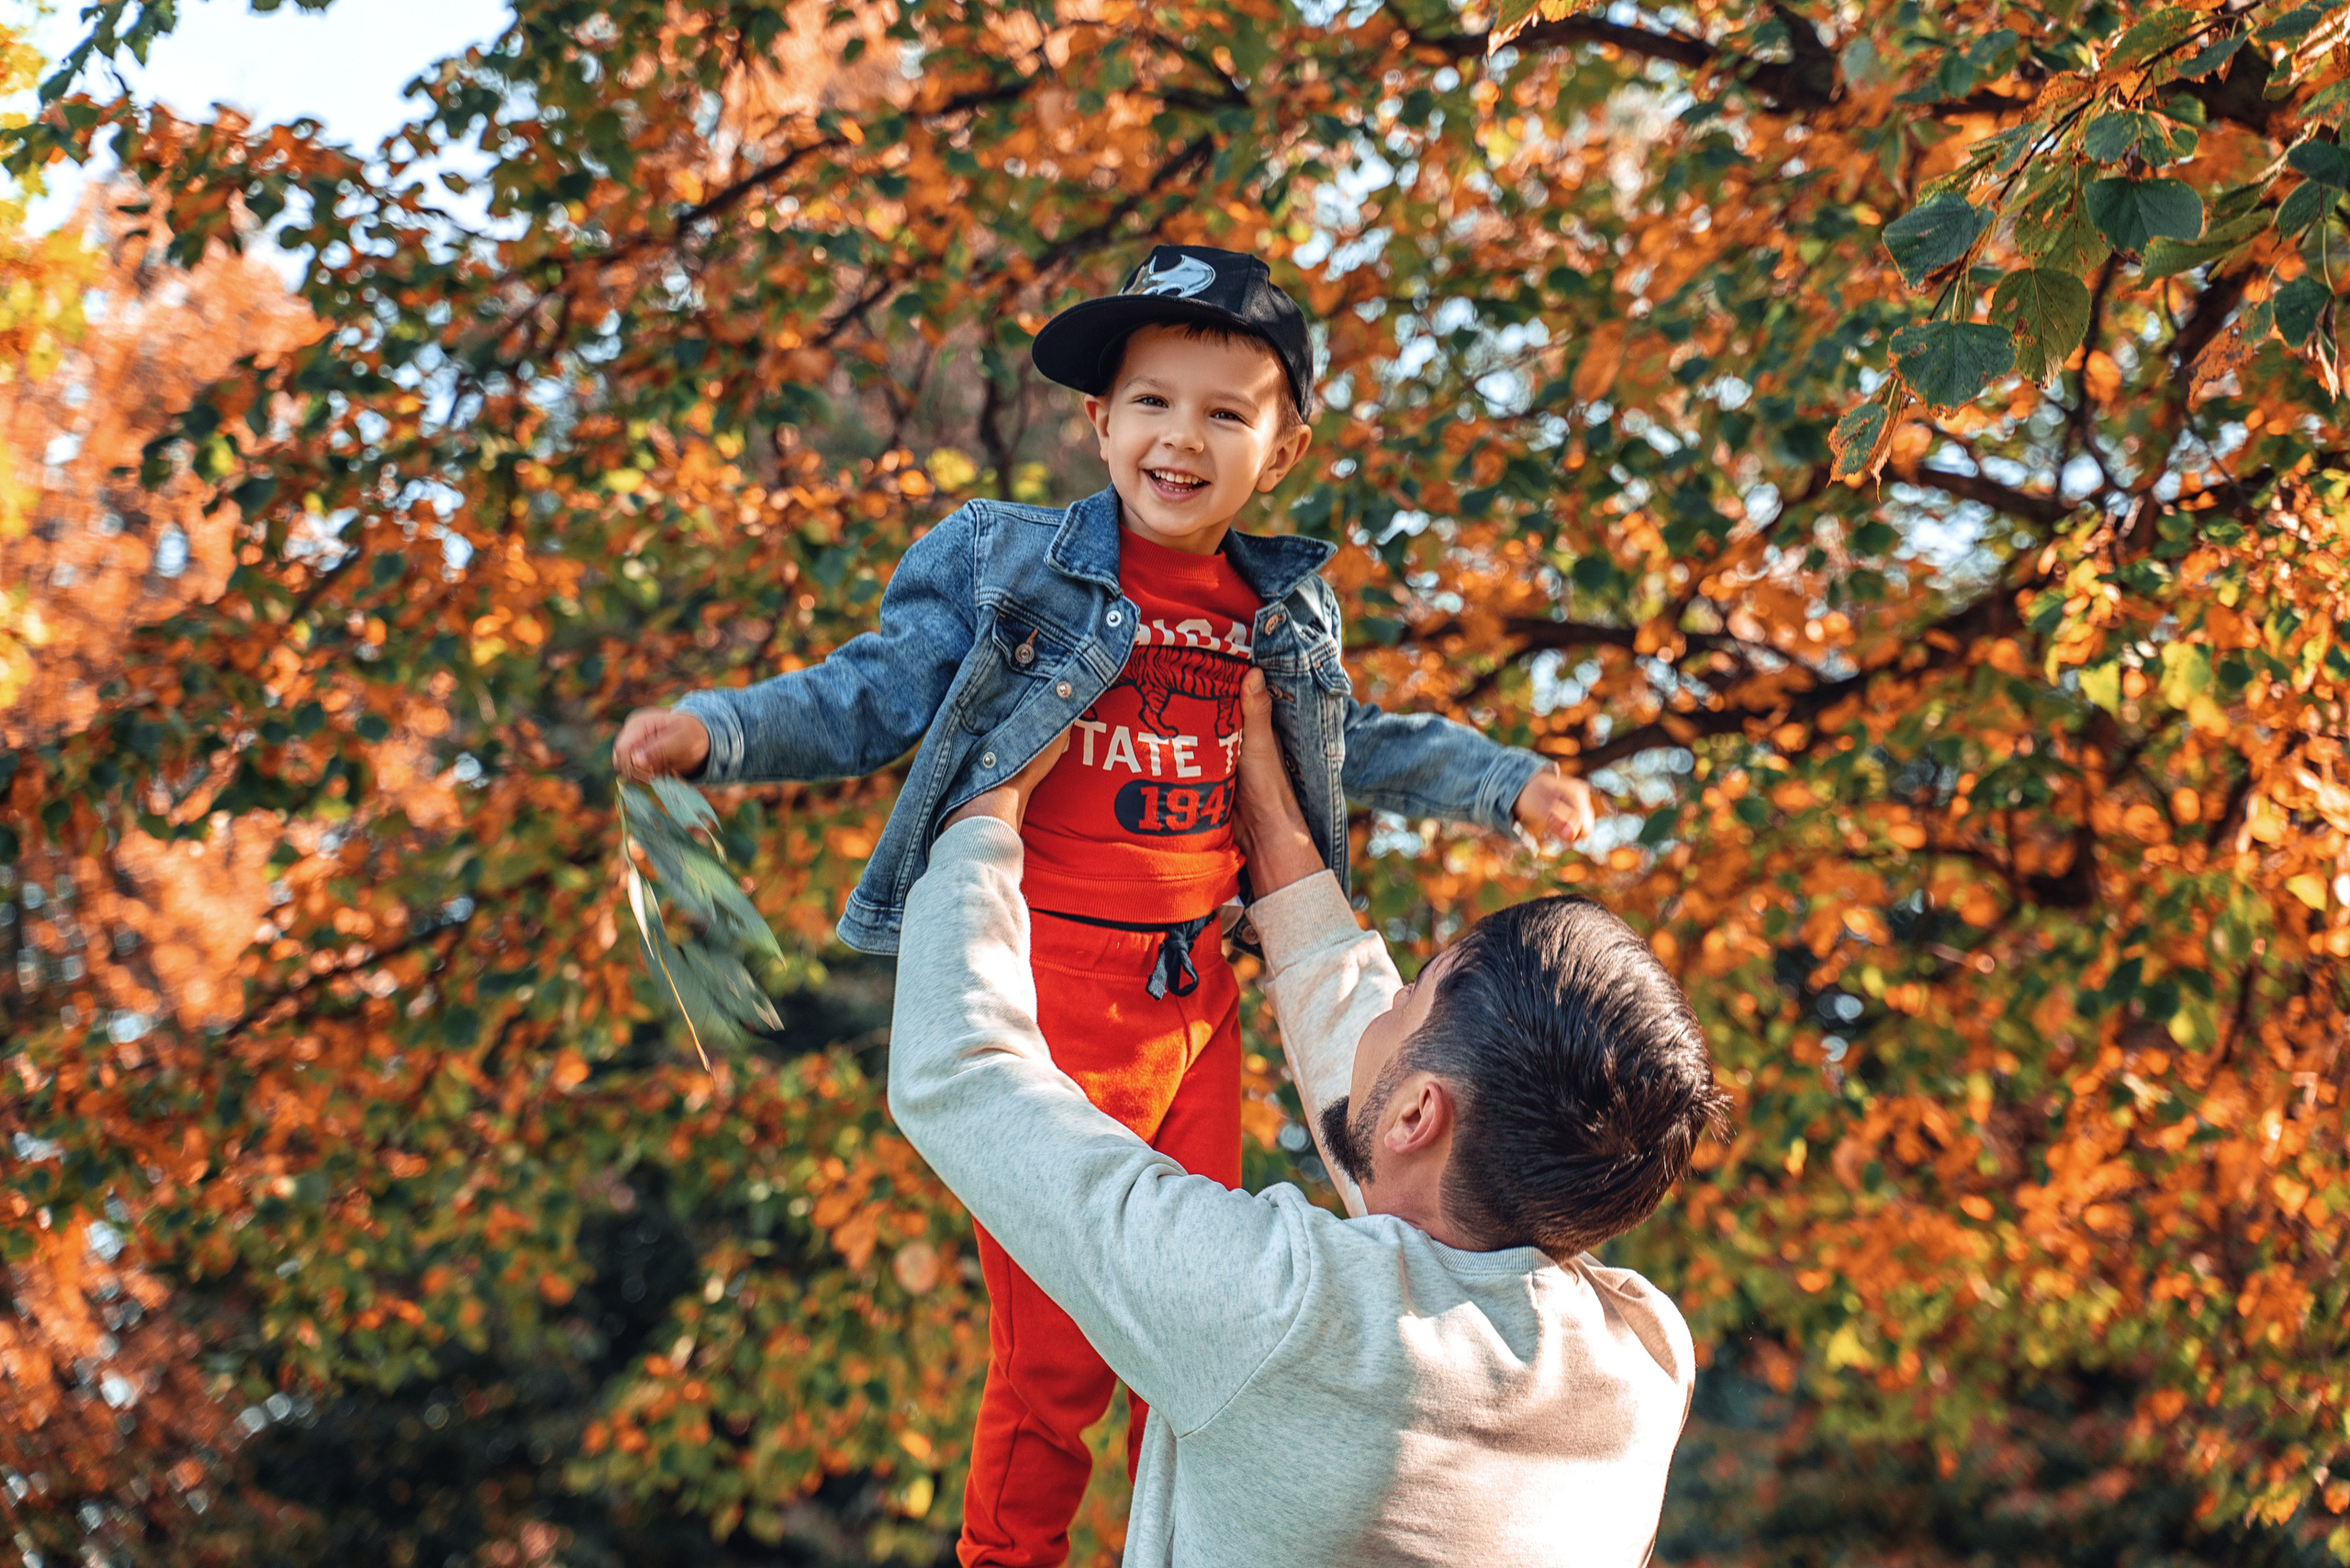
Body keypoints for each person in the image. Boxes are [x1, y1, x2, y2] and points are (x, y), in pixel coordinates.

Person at [611, 244, 1595, 1565]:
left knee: (1194, 1333)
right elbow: (869, 692)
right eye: (1149, 402)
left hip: (1195, 1003)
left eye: (1224, 412)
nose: (1179, 438)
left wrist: (1507, 782)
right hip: (1046, 1002)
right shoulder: (1008, 568)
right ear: (1097, 422)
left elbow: (1362, 746)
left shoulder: (1281, 611)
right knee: (1056, 1358)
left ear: (1284, 448)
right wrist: (717, 733)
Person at [888, 670, 1732, 1565]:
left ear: (1417, 1114)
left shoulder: (1275, 1308)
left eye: (1406, 996)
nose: (1383, 1007)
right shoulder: (1640, 1360)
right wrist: (1274, 833)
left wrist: (984, 813)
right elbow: (1414, 1159)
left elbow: (962, 1072)